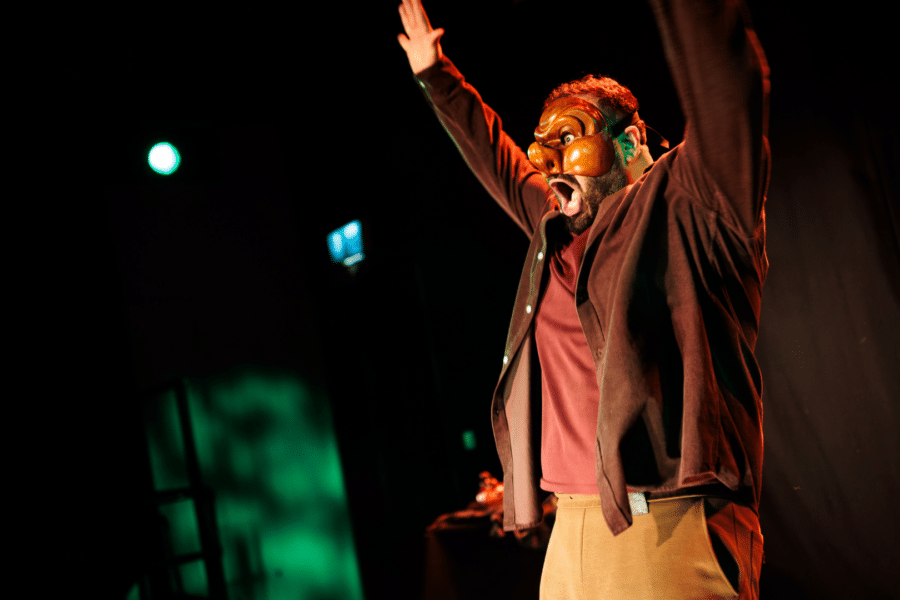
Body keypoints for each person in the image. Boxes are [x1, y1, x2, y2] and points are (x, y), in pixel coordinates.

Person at [398, 0, 770, 597]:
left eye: (568, 138)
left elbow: (727, 92)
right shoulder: (555, 229)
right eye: (542, 145)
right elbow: (497, 158)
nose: (547, 162)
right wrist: (433, 74)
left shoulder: (689, 204)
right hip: (569, 530)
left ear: (631, 141)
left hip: (665, 526)